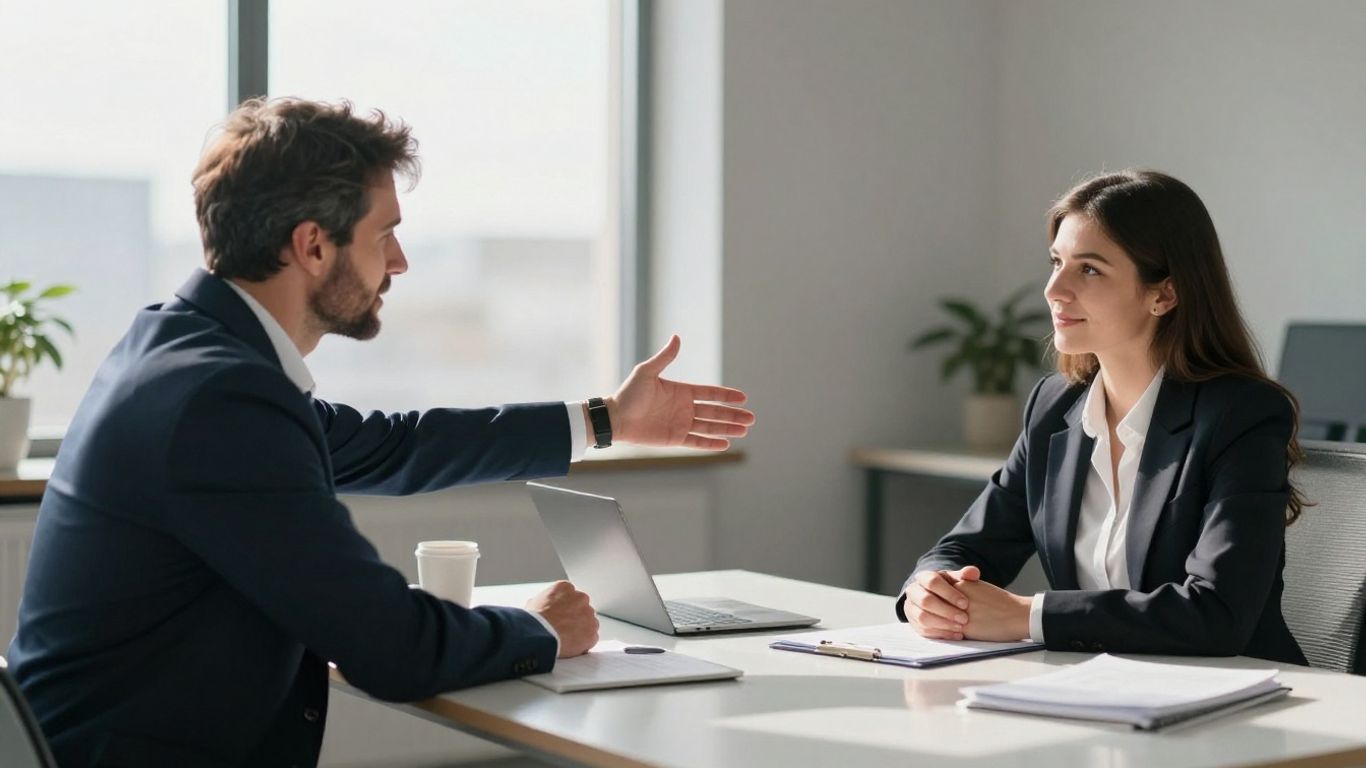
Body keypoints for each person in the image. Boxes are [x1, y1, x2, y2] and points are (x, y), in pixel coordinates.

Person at [5, 98, 755, 768]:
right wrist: (540, 632)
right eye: (384, 234)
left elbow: (396, 446)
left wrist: (607, 421)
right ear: (313, 245)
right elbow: (392, 649)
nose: (398, 262)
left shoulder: (185, 351)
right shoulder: (220, 401)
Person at [897, 169, 1308, 666]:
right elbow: (964, 549)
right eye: (1056, 262)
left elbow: (1217, 613)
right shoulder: (1054, 408)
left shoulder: (1240, 415)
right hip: (1101, 692)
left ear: (1164, 294)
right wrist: (929, 592)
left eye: (1088, 269)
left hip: (1238, 699)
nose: (1054, 289)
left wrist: (1028, 615)